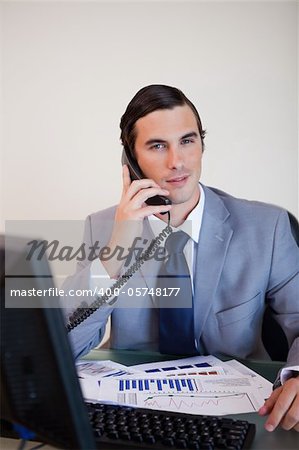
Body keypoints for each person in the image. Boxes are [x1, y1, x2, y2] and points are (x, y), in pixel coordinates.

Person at [63, 84, 299, 432]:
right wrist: (116, 252)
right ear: (130, 159)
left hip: (244, 414)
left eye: (187, 141)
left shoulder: (268, 227)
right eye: (158, 146)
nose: (177, 161)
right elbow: (64, 344)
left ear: (202, 145)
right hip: (135, 415)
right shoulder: (102, 227)